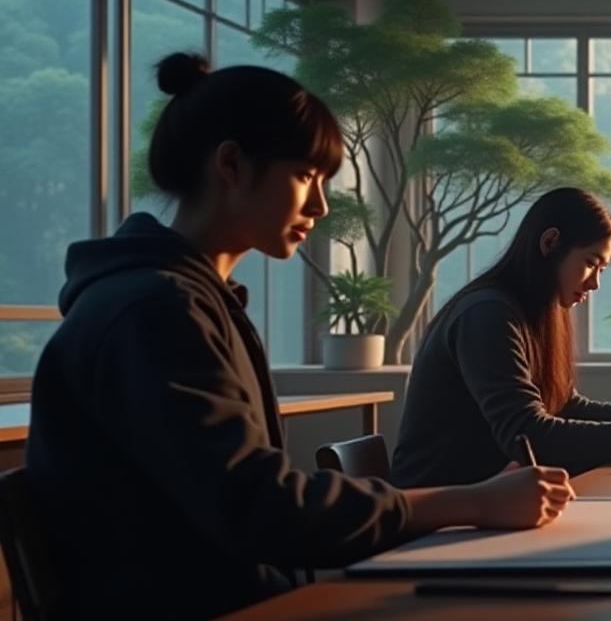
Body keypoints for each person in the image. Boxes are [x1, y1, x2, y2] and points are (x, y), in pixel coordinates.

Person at [25, 54, 574, 619]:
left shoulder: (184, 300)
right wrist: (475, 501)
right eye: (306, 176)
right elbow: (266, 511)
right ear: (232, 163)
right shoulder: (154, 311)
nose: (320, 205)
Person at [392, 188, 611, 487]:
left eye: (601, 270)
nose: (595, 285)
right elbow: (529, 433)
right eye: (591, 264)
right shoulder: (487, 313)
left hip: (484, 499)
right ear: (550, 243)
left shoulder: (526, 311)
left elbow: (563, 404)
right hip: (436, 513)